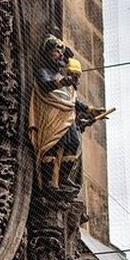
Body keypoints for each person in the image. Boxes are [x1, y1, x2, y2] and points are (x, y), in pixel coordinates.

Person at [28, 35, 105, 193]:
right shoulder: (44, 72)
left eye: (61, 53)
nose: (61, 55)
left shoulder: (63, 78)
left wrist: (90, 110)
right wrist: (62, 82)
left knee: (73, 143)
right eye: (57, 52)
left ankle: (63, 179)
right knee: (52, 145)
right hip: (52, 114)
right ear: (48, 54)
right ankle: (49, 181)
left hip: (66, 116)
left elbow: (72, 101)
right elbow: (44, 86)